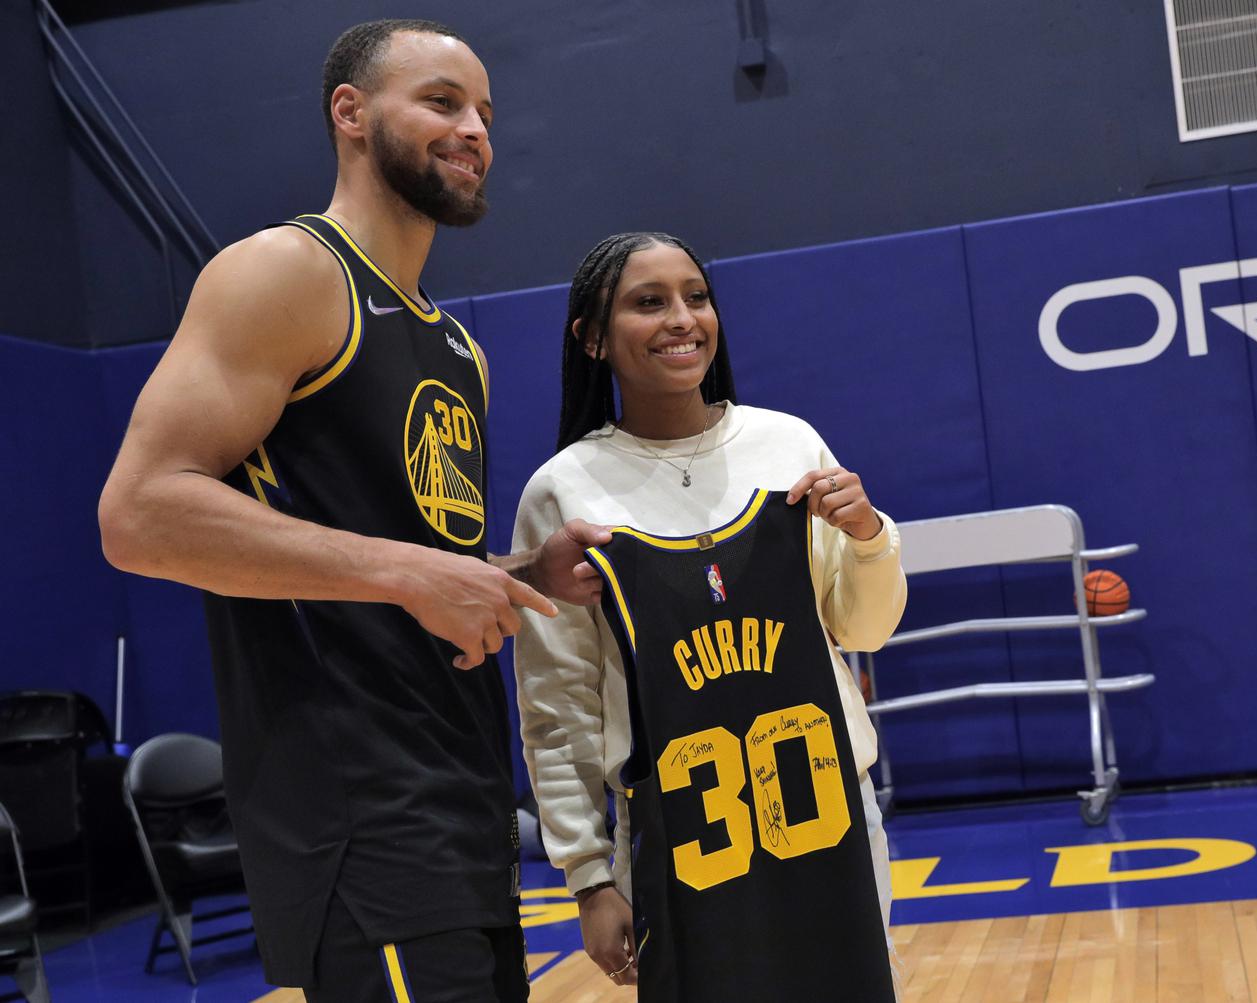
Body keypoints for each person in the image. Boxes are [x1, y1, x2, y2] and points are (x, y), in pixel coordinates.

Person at [98, 19, 607, 1003]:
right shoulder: (284, 272)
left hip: (462, 808)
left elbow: (393, 563)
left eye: (486, 115)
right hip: (358, 822)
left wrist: (510, 577)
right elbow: (139, 513)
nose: (474, 131)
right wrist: (414, 573)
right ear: (350, 113)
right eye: (442, 102)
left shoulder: (458, 349)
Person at [512, 232, 907, 996]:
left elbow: (867, 630)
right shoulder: (562, 490)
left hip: (830, 813)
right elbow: (554, 708)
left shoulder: (787, 442)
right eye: (647, 302)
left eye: (695, 296)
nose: (681, 319)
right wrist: (590, 878)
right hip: (677, 836)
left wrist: (868, 535)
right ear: (591, 337)